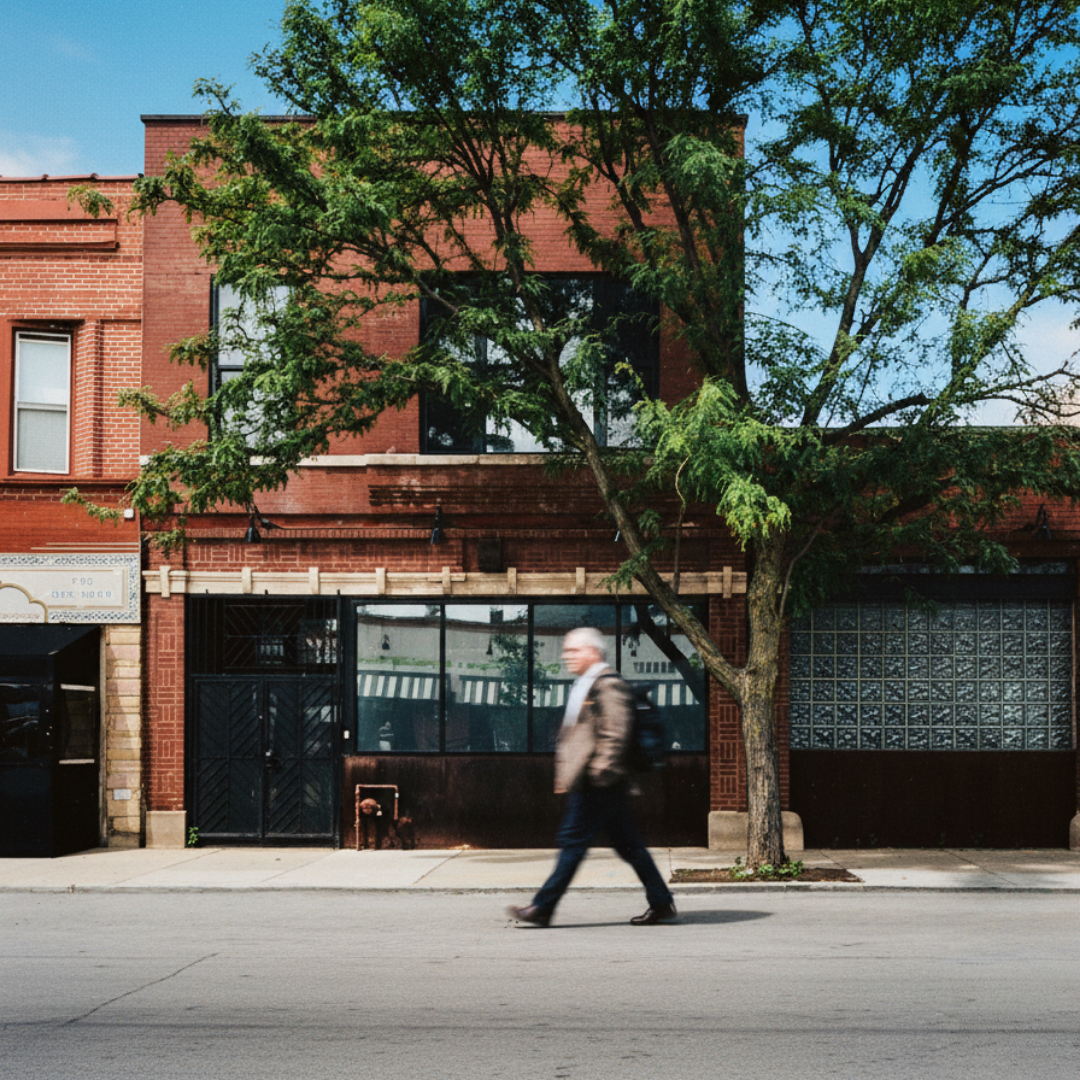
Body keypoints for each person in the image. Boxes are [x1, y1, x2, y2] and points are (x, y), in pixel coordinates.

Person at [507, 626, 677, 927]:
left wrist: (599, 772)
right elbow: (578, 735)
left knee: (572, 842)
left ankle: (543, 907)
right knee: (629, 845)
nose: (566, 656)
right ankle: (662, 902)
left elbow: (616, 732)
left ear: (593, 652)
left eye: (573, 650)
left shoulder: (607, 684)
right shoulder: (586, 684)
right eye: (566, 650)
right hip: (599, 782)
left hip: (599, 782)